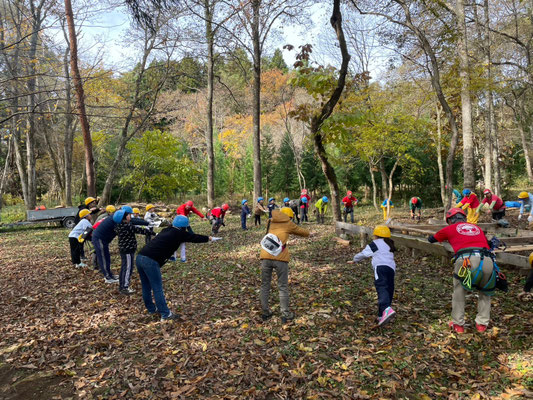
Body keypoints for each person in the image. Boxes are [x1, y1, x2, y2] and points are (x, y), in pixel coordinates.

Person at [136, 215, 221, 321]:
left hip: (140, 257)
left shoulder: (166, 230)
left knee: (146, 286)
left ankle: (151, 309)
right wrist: (209, 238)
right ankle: (165, 314)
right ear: (184, 226)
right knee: (157, 288)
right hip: (150, 261)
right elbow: (194, 237)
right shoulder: (179, 233)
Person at [428, 208, 495, 333]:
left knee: (459, 291)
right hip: (487, 259)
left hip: (466, 260)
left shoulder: (449, 229)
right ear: (464, 218)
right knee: (485, 292)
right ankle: (482, 324)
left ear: (450, 220)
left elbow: (431, 239)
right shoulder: (477, 228)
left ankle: (458, 324)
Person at [260, 209, 310, 323]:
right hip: (280, 257)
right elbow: (304, 233)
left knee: (265, 285)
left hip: (265, 255)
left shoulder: (270, 221)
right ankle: (285, 314)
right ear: (289, 216)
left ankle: (265, 312)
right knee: (282, 286)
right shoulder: (289, 224)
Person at [348, 225, 397, 326]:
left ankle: (386, 309)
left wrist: (354, 259)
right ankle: (382, 315)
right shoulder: (389, 243)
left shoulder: (375, 244)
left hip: (380, 268)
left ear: (376, 236)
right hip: (391, 269)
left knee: (382, 288)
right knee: (389, 289)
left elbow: (364, 254)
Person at [113, 209, 153, 295]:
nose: (130, 216)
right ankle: (124, 287)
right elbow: (140, 230)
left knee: (125, 267)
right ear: (124, 217)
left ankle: (122, 284)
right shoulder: (127, 226)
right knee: (128, 268)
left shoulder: (120, 225)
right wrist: (153, 233)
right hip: (127, 250)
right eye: (128, 215)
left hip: (125, 250)